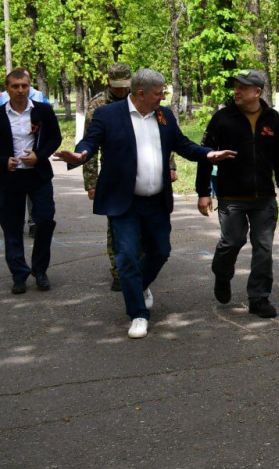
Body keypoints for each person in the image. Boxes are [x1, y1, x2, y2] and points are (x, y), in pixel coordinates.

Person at [55, 69, 236, 339]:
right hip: (124, 202)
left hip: (156, 202)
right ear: (141, 93)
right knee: (127, 256)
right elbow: (89, 142)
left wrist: (208, 154)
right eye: (159, 93)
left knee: (161, 251)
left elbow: (182, 144)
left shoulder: (164, 115)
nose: (162, 97)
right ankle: (138, 313)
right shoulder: (108, 114)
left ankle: (137, 286)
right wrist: (80, 155)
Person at [196, 69, 279, 318]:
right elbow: (205, 155)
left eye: (242, 87)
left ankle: (259, 298)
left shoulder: (273, 119)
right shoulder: (222, 118)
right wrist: (203, 191)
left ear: (257, 92)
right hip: (231, 196)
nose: (236, 91)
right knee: (232, 242)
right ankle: (222, 274)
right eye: (235, 87)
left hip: (264, 197)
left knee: (264, 247)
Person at [83, 63, 178, 292]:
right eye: (116, 86)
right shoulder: (99, 105)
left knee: (151, 237)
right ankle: (120, 271)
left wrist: (170, 165)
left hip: (147, 174)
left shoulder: (148, 103)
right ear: (109, 83)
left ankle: (139, 273)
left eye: (124, 85)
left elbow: (165, 138)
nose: (120, 90)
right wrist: (91, 182)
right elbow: (89, 145)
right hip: (116, 174)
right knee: (118, 230)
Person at [0, 69, 61, 294]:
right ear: (7, 88)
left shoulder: (43, 111)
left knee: (44, 220)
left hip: (38, 175)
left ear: (30, 86)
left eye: (24, 86)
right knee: (12, 227)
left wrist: (39, 155)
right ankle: (19, 274)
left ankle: (40, 270)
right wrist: (3, 161)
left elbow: (55, 138)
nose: (20, 90)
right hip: (9, 178)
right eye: (15, 86)